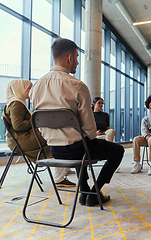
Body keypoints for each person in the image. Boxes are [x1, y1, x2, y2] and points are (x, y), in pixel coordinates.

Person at [30, 38, 124, 207]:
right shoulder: (77, 85)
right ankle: (95, 192)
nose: (78, 62)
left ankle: (83, 191)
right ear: (70, 58)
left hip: (54, 150)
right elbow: (89, 129)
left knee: (82, 143)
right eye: (77, 57)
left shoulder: (37, 86)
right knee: (116, 150)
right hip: (78, 149)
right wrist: (89, 135)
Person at [2, 79, 75, 187]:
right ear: (21, 89)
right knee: (59, 138)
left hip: (21, 138)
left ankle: (63, 169)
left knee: (57, 137)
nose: (32, 90)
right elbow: (18, 126)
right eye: (30, 88)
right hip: (23, 139)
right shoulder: (16, 103)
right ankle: (60, 176)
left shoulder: (16, 102)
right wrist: (36, 120)